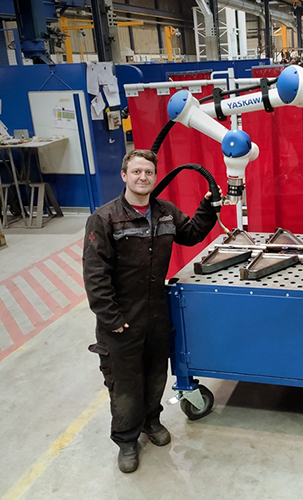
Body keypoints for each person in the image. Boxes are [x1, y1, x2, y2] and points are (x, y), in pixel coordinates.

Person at [83, 149, 218, 473]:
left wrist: (208, 208)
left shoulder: (165, 212)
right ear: (125, 175)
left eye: (148, 173)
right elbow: (95, 275)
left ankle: (151, 422)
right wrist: (112, 321)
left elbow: (191, 233)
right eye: (137, 172)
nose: (143, 178)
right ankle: (127, 441)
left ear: (154, 177)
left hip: (157, 312)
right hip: (121, 317)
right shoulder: (104, 219)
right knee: (126, 384)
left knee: (156, 373)